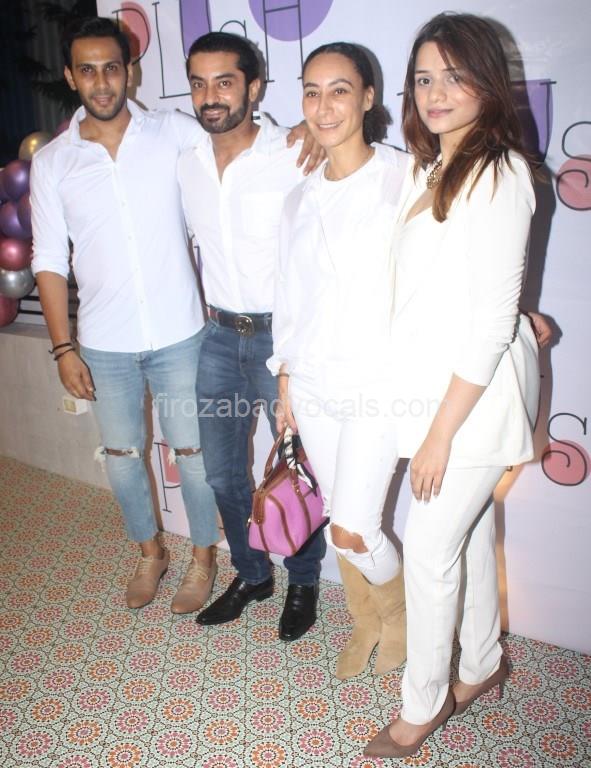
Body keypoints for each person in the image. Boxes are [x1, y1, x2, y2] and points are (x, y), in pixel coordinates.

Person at [30, 17, 315, 615]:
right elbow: (49, 260)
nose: (101, 82)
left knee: (201, 458)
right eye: (87, 70)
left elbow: (240, 131)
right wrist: (62, 346)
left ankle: (205, 559)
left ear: (130, 72)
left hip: (185, 334)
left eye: (112, 67)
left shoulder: (174, 132)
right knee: (123, 459)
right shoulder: (53, 162)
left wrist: (305, 130)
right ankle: (150, 553)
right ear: (71, 77)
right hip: (105, 340)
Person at [365, 13, 541, 758]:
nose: (435, 92)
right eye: (423, 78)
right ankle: (480, 664)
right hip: (435, 393)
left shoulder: (498, 173)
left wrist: (439, 434)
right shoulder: (433, 164)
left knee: (431, 550)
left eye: (455, 76)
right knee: (463, 541)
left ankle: (424, 702)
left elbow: (490, 322)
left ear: (487, 84)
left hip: (469, 404)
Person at [177, 32, 326, 641]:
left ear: (254, 87)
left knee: (295, 469)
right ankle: (252, 572)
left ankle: (304, 580)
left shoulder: (293, 152)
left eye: (225, 82)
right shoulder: (187, 162)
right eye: (199, 83)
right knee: (222, 475)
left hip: (279, 341)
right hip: (217, 338)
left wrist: (314, 128)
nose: (210, 96)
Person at [269, 42, 409, 675]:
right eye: (312, 91)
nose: (324, 106)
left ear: (368, 97)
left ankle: (401, 618)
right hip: (313, 385)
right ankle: (365, 620)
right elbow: (288, 297)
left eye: (340, 90)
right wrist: (285, 381)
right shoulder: (296, 200)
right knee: (335, 520)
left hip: (379, 383)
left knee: (355, 526)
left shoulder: (405, 177)